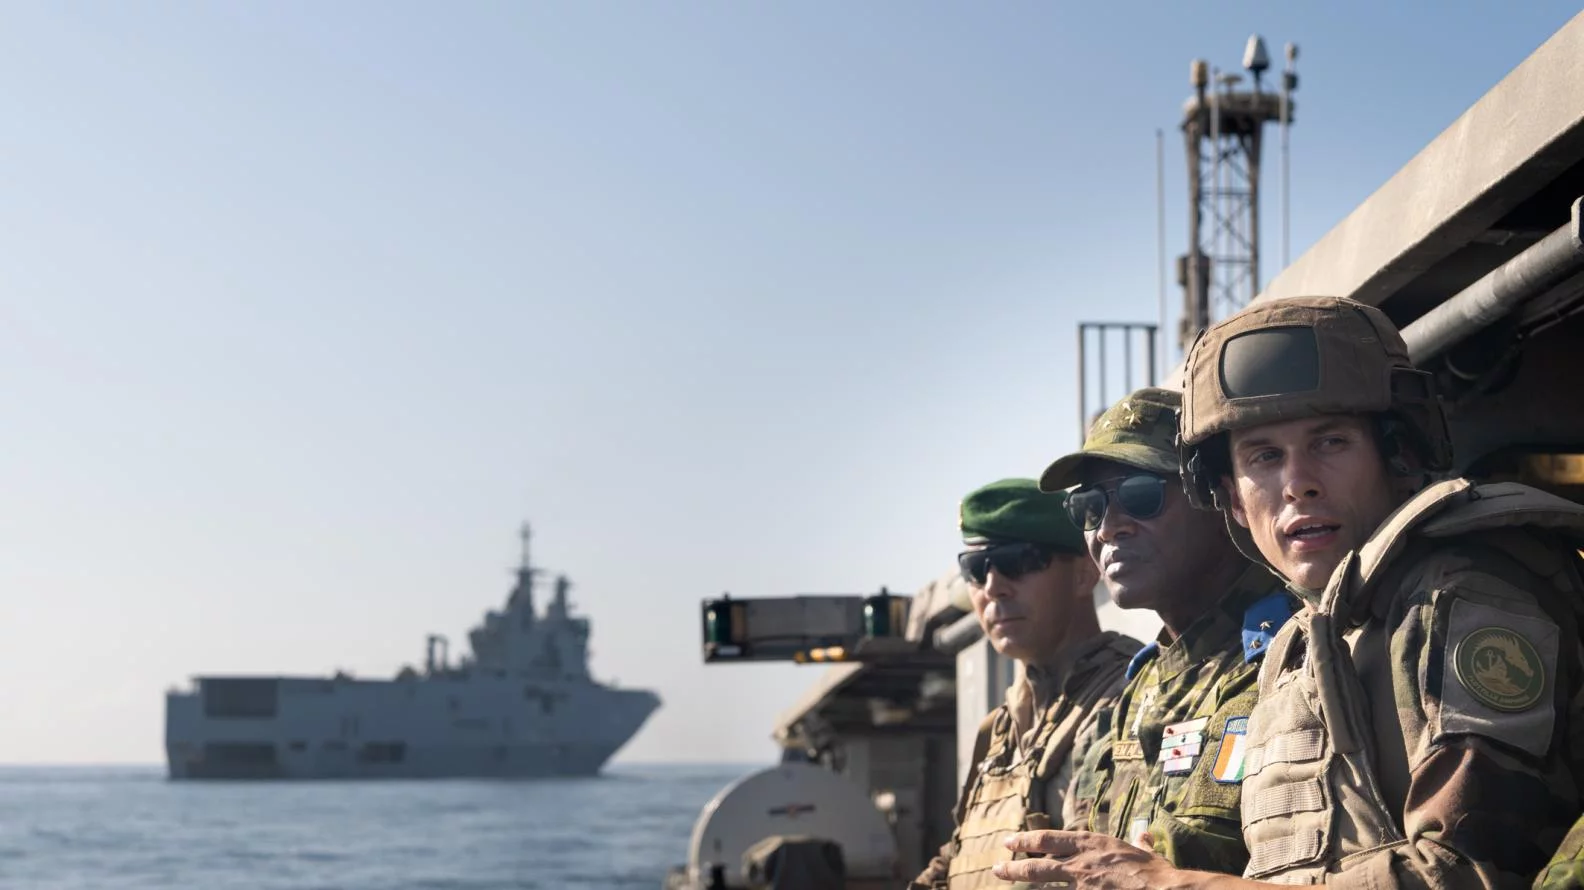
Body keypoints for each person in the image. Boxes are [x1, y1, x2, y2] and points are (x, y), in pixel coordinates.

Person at [993, 295, 1584, 890]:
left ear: (1395, 451)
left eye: (1330, 443)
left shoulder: (1462, 594)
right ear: (1229, 496)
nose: (1298, 484)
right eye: (1265, 457)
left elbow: (1465, 876)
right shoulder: (1301, 644)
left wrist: (1170, 884)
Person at [1035, 386, 1297, 875]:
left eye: (1141, 495)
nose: (1109, 527)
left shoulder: (1293, 651)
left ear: (1221, 499)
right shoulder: (1139, 690)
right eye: (1089, 507)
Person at [909, 477, 1142, 890]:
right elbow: (959, 858)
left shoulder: (1132, 697)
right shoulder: (999, 730)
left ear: (1085, 573)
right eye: (977, 569)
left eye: (1019, 561)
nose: (993, 587)